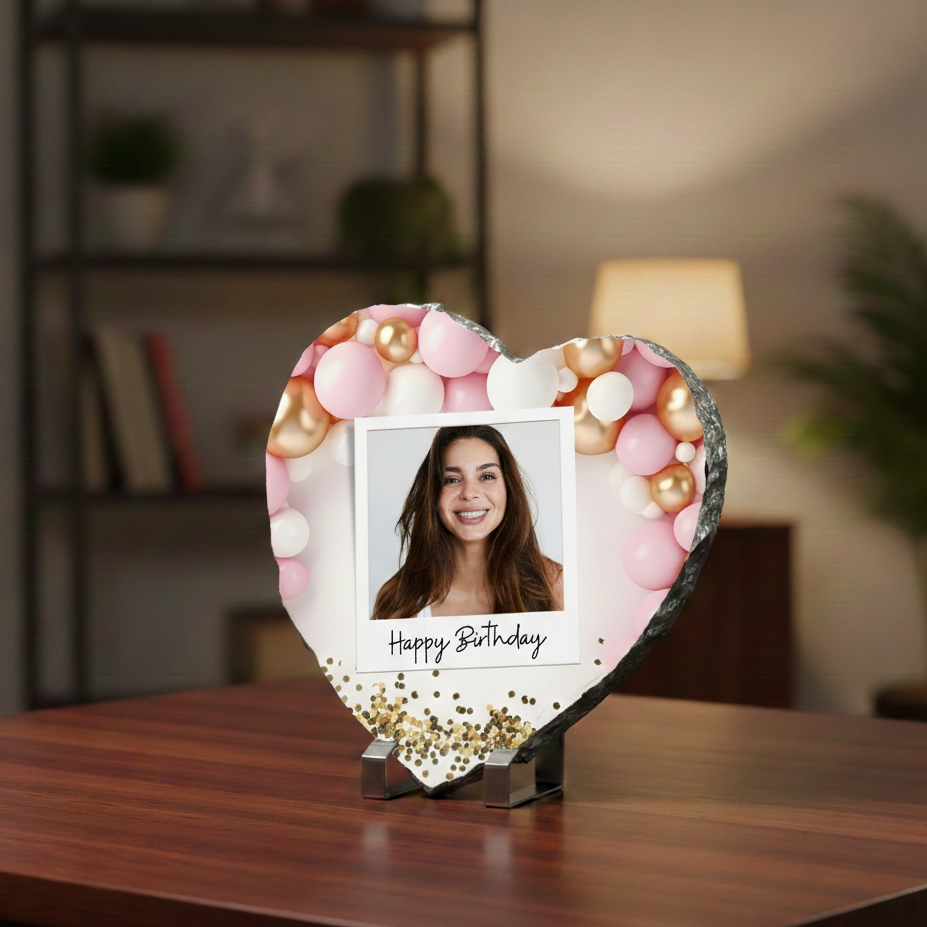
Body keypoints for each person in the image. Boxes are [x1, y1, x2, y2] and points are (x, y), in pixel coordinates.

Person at [372, 424, 564, 620]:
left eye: (487, 476)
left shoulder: (555, 584)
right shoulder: (397, 601)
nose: (469, 493)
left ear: (509, 487)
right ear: (433, 494)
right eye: (452, 479)